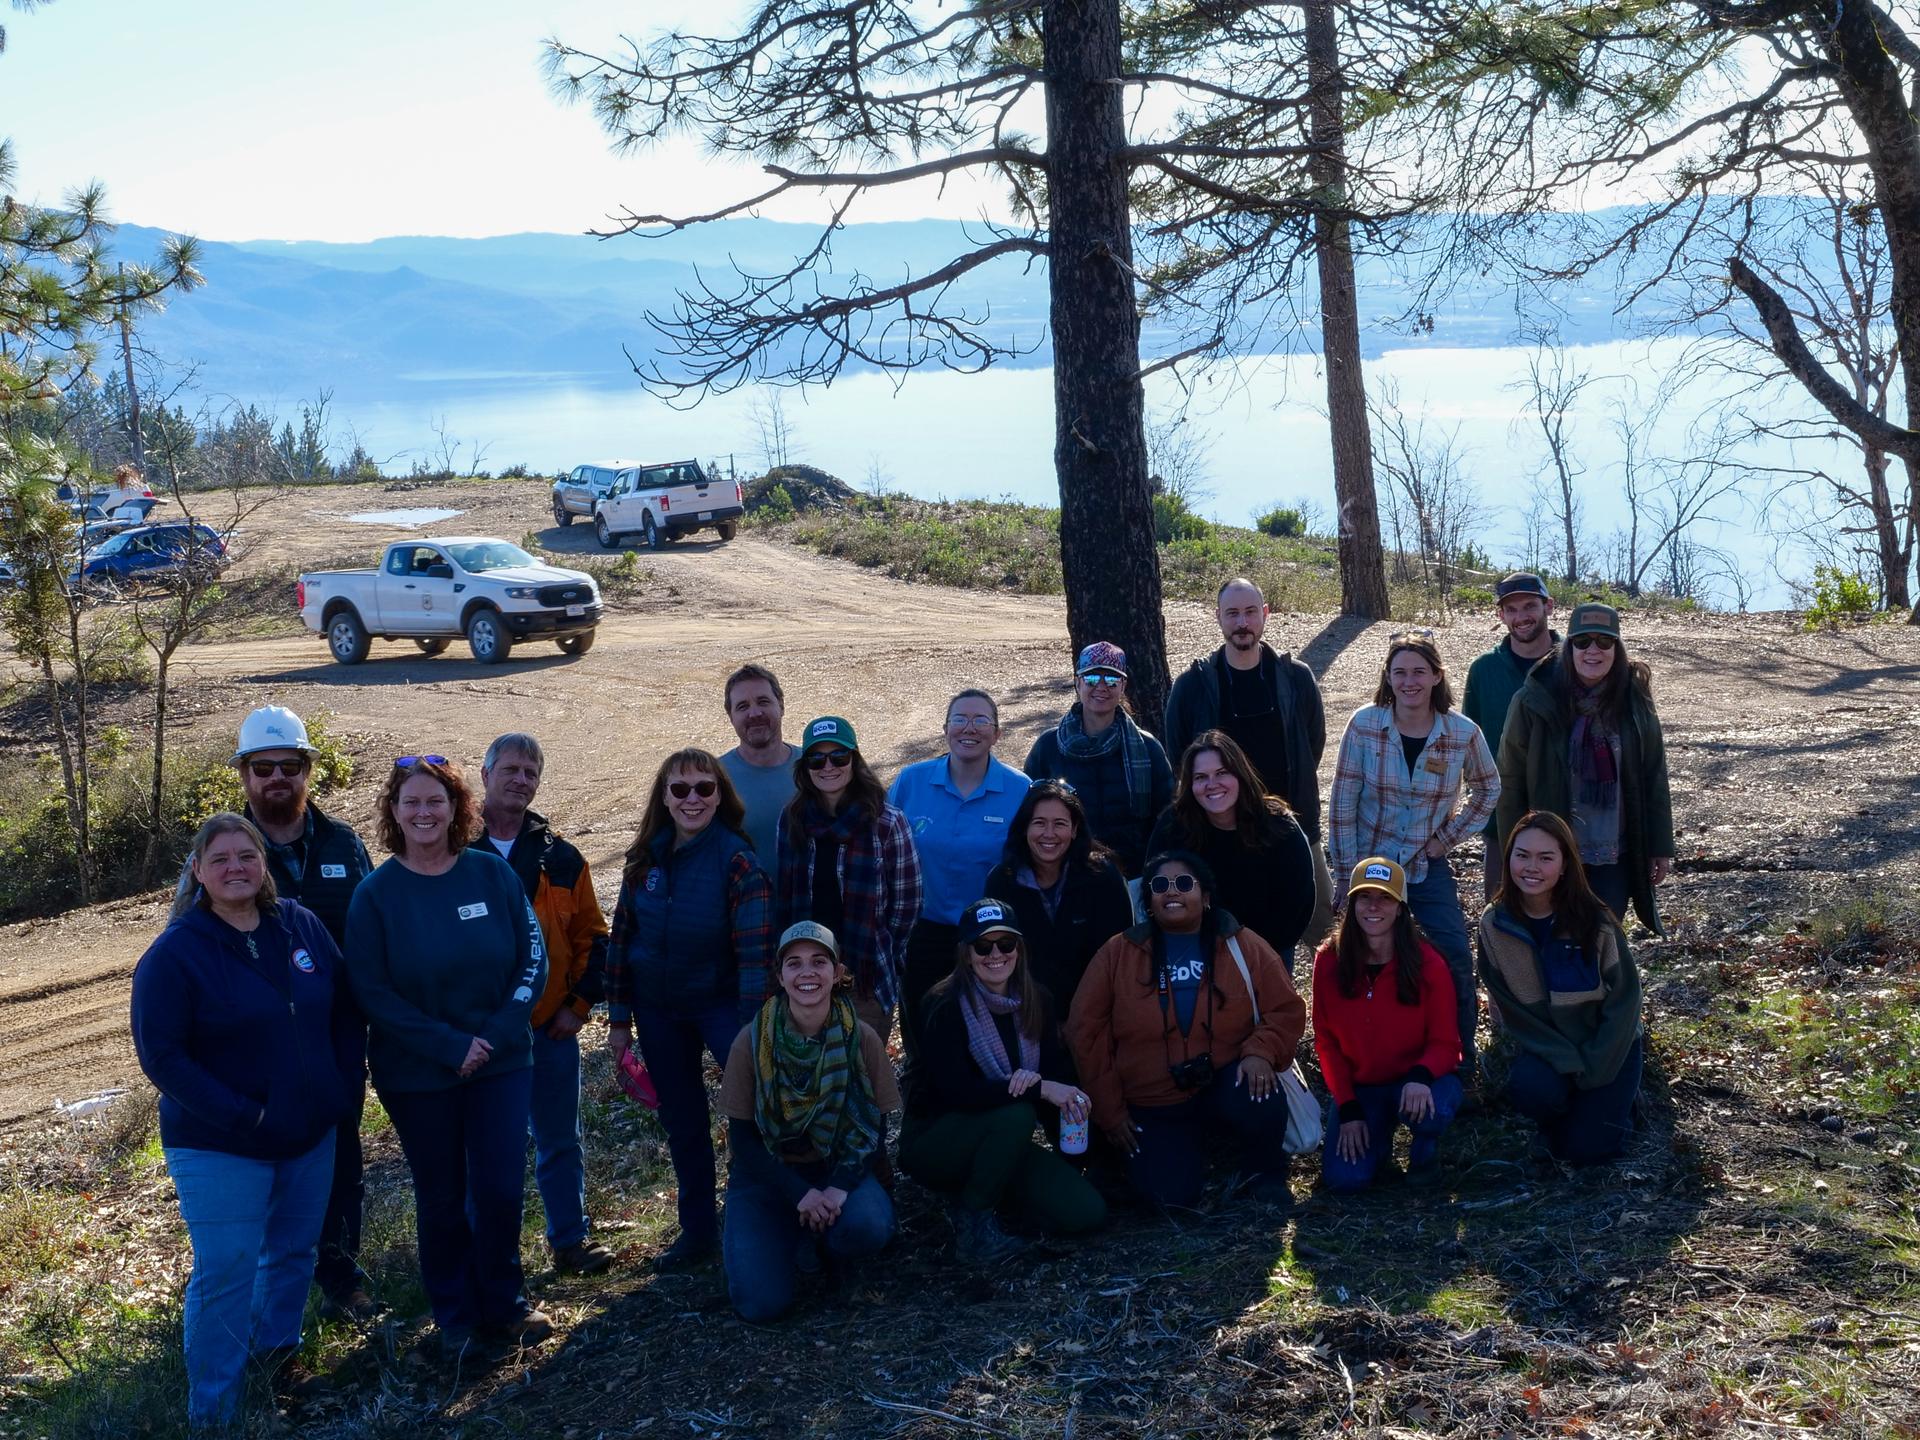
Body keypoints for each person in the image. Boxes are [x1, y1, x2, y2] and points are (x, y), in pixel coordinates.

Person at [133, 814, 357, 1431]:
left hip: (309, 1133)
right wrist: (244, 1115)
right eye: (221, 858)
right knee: (227, 1269)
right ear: (198, 873)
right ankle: (217, 1412)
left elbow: (341, 1007)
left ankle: (275, 1361)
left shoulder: (300, 925)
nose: (236, 867)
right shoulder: (176, 953)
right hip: (220, 1145)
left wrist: (341, 1087)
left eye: (247, 855)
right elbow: (162, 1056)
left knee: (291, 1253)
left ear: (263, 864)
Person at [343, 755, 551, 1358]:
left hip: (502, 1062)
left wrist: (496, 1031)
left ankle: (505, 1307)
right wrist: (449, 1045)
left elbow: (530, 961)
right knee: (441, 1196)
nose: (424, 812)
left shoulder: (490, 875)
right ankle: (455, 1318)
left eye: (436, 800)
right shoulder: (375, 896)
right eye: (411, 802)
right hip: (418, 1074)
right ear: (394, 812)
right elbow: (372, 991)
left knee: (500, 1189)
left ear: (457, 807)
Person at [229, 704, 377, 1321]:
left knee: (342, 1160)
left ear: (308, 770)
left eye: (290, 766)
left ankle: (342, 1276)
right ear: (244, 774)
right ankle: (266, 1294)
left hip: (336, 1037)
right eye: (263, 767)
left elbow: (374, 935)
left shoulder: (344, 843)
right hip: (256, 1047)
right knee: (263, 1169)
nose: (277, 779)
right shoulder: (225, 849)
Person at [605, 748, 773, 1272]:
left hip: (723, 1006)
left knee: (756, 1111)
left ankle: (768, 1218)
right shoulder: (645, 857)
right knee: (683, 1122)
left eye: (704, 788)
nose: (693, 798)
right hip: (659, 1011)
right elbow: (621, 940)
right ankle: (697, 1229)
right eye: (680, 789)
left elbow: (755, 955)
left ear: (720, 794)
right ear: (664, 797)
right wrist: (617, 1018)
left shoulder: (738, 860)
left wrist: (750, 1032)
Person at [1066, 851, 1306, 1209]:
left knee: (1261, 1094)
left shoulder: (1240, 944)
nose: (1171, 892)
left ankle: (1266, 1172)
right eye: (1159, 886)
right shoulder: (1118, 953)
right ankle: (1153, 1159)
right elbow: (1085, 1031)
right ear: (1148, 900)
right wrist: (1110, 1110)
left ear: (1205, 896)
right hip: (1151, 1098)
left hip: (1223, 1078)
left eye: (1183, 884)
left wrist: (1261, 1051)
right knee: (1171, 1198)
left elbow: (1285, 1008)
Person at [1327, 630, 1498, 1085]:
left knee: (1455, 956)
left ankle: (1458, 1068)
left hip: (1425, 864)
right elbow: (1343, 802)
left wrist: (1447, 839)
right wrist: (1346, 877)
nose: (1409, 681)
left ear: (1437, 675)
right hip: (1370, 865)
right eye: (1400, 671)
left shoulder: (1461, 733)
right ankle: (1361, 1063)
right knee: (1360, 958)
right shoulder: (1365, 725)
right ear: (1387, 676)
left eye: (1419, 671)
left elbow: (1488, 788)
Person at [474, 733, 614, 1276]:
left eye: (530, 772)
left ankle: (569, 1242)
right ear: (484, 775)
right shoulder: (454, 848)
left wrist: (578, 1007)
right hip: (483, 1036)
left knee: (560, 1141)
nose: (520, 780)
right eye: (510, 769)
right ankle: (489, 1257)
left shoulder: (561, 856)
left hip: (550, 1029)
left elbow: (593, 937)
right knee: (487, 1153)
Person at [715, 922, 901, 1322]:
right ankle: (789, 1233)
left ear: (837, 974)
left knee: (869, 1226)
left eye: (819, 962)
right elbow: (743, 1140)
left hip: (836, 1169)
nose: (807, 973)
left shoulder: (862, 1038)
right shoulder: (750, 1041)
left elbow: (875, 1129)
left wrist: (837, 1189)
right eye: (794, 963)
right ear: (780, 976)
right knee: (760, 1305)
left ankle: (830, 1246)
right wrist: (798, 1191)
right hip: (768, 1176)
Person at [900, 900, 1106, 1260]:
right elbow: (956, 1093)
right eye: (982, 946)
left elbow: (1055, 1079)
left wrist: (1073, 1145)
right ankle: (975, 1224)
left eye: (1005, 944)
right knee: (1018, 1113)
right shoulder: (944, 1004)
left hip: (1003, 1141)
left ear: (1019, 949)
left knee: (1086, 1212)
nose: (995, 954)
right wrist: (1037, 1088)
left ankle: (1002, 1196)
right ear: (966, 954)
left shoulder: (1036, 999)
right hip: (937, 1139)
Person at [1164, 577, 1334, 940]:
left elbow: (1312, 746)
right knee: (1224, 931)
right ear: (1218, 618)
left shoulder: (1296, 678)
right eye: (1233, 613)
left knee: (1316, 925)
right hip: (1217, 834)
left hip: (1293, 827)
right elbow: (1180, 757)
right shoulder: (1192, 686)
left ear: (1265, 615)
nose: (1242, 622)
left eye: (1250, 612)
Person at [1495, 603, 1675, 933]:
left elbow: (1654, 775)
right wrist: (1513, 852)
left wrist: (1659, 846)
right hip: (1550, 853)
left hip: (1613, 854)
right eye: (1582, 642)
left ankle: (1605, 988)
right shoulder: (1533, 700)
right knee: (1550, 938)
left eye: (1604, 642)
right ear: (1568, 647)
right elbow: (1509, 779)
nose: (1593, 651)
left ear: (1617, 650)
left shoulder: (1634, 700)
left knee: (1603, 938)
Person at [1479, 811, 1645, 1165]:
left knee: (1590, 1153)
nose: (1531, 867)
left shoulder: (1595, 921)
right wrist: (1567, 1060)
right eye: (1521, 855)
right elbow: (1516, 1015)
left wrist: (1596, 1064)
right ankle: (1566, 1114)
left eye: (1546, 857)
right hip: (1549, 1048)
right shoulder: (1494, 925)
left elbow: (1626, 1002)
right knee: (1532, 1089)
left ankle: (1623, 1103)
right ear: (1508, 859)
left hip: (1608, 1045)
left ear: (1566, 864)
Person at [888, 689, 1031, 1058]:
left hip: (987, 940)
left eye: (981, 720)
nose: (970, 728)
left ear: (997, 734)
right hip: (923, 933)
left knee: (981, 1039)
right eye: (960, 719)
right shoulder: (911, 782)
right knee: (921, 1032)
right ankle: (921, 1104)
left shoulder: (1020, 790)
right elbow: (882, 849)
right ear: (945, 729)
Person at [1311, 858, 1462, 1190]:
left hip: (1418, 1081)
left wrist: (1420, 1076)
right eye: (1364, 897)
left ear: (1400, 908)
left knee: (1431, 1110)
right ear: (1351, 905)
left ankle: (1425, 1151)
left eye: (1385, 897)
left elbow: (1447, 1043)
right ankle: (1377, 1144)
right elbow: (1326, 1042)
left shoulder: (1428, 963)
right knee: (1344, 1181)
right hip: (1364, 1087)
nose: (1374, 906)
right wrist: (1348, 1108)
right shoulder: (1328, 960)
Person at [775, 716, 922, 1037]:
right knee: (810, 1074)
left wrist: (877, 950)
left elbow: (906, 907)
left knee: (862, 1074)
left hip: (864, 976)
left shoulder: (887, 822)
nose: (828, 766)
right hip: (806, 975)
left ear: (855, 760)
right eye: (817, 758)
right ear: (805, 768)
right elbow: (784, 898)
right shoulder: (792, 819)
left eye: (839, 757)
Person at [1147, 730, 1317, 968]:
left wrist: (1253, 953)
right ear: (1189, 784)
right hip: (1194, 952)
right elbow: (1155, 892)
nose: (1211, 784)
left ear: (1240, 774)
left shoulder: (1279, 828)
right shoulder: (1173, 827)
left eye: (1221, 773)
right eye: (1200, 777)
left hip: (1266, 951)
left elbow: (1298, 902)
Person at [982, 781, 1133, 1017]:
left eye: (1060, 824)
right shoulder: (1002, 881)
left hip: (1095, 1011)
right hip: (1026, 1013)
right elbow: (995, 959)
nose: (1049, 834)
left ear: (1074, 830)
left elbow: (1120, 954)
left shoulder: (1103, 877)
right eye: (1039, 823)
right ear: (1024, 828)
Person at [1023, 642, 1174, 878]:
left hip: (1133, 875)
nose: (1101, 687)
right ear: (1077, 682)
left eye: (1112, 680)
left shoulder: (1148, 748)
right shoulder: (1048, 746)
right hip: (1065, 875)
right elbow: (1029, 816)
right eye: (1092, 678)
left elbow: (1166, 819)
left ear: (1123, 686)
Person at [1462, 574, 1560, 900]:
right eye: (1511, 609)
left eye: (1530, 606)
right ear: (1500, 615)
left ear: (1549, 606)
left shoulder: (1576, 663)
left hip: (1565, 813)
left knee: (1568, 914)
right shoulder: (1484, 670)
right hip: (1502, 817)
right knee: (1501, 910)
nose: (1521, 617)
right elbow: (1469, 743)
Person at [717, 663, 798, 867]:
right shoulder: (712, 779)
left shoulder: (819, 767)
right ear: (730, 717)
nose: (754, 713)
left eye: (763, 702)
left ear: (781, 705)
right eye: (743, 706)